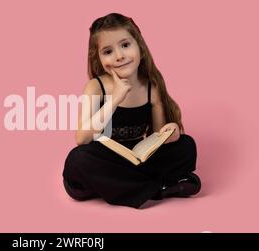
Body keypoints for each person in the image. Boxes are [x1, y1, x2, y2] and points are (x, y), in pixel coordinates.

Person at [62, 13, 201, 209]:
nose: (119, 56)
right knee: (78, 159)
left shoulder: (151, 87)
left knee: (187, 145)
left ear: (140, 48)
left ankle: (128, 187)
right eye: (108, 51)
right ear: (99, 58)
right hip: (105, 160)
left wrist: (172, 132)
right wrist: (116, 98)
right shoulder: (95, 86)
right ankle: (158, 188)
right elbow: (81, 138)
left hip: (135, 159)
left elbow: (157, 137)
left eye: (125, 45)